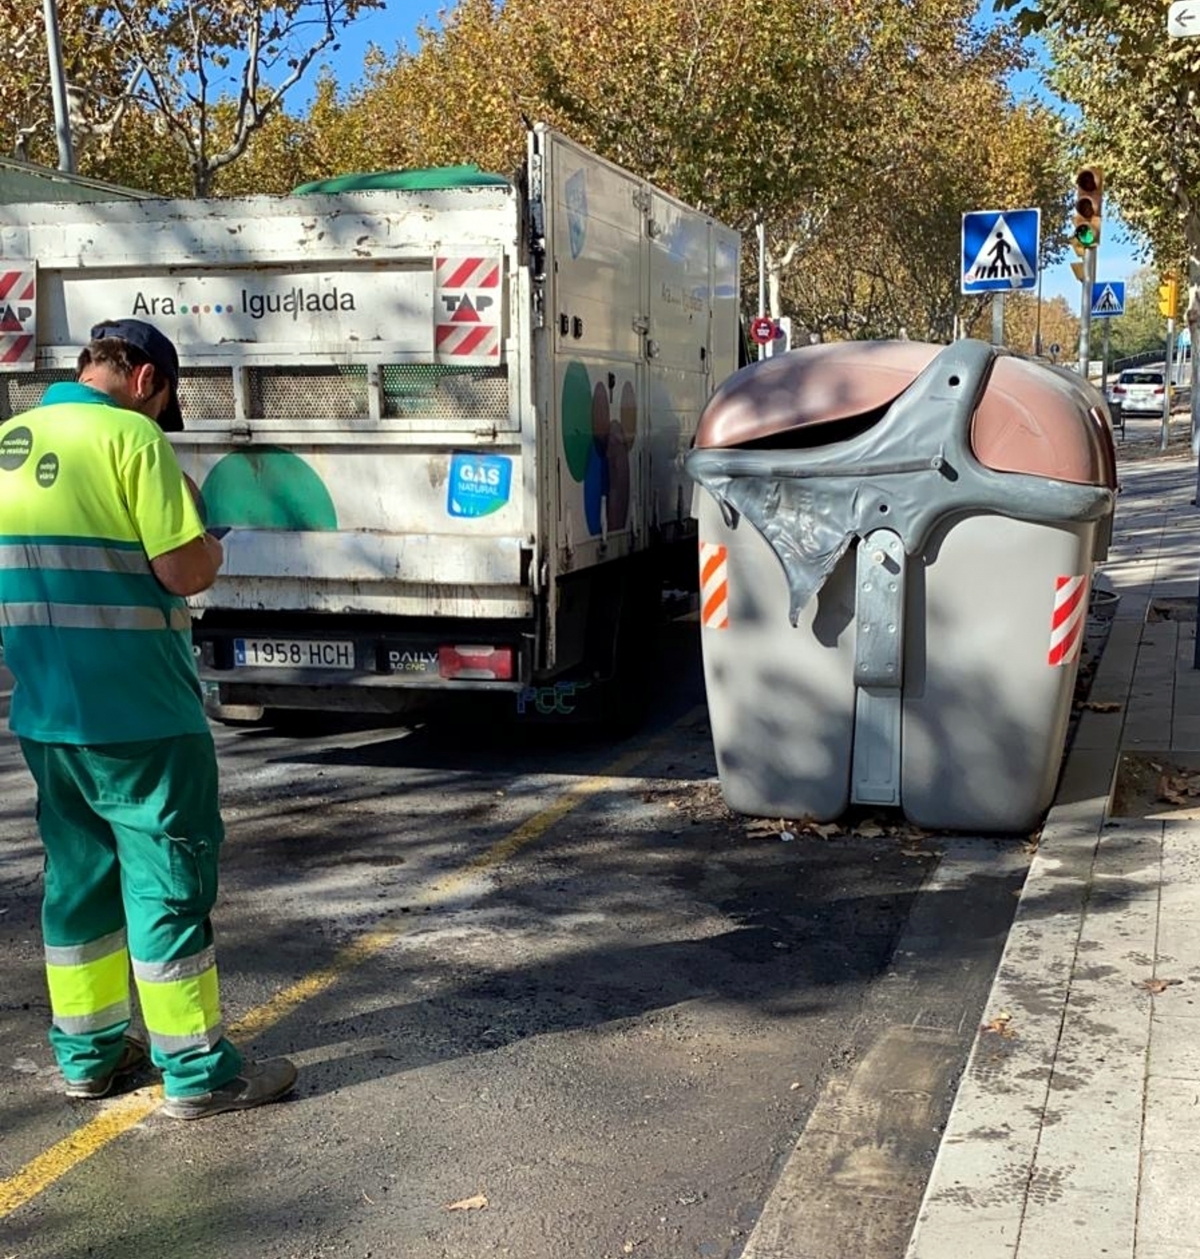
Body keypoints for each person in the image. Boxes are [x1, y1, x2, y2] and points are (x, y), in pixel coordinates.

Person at [0, 318, 297, 1120]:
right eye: (161, 403)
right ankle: (199, 1072)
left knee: (79, 886)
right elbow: (184, 568)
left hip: (45, 715)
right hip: (142, 716)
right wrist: (211, 546)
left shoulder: (9, 440)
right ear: (144, 383)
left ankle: (89, 1057)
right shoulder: (134, 442)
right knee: (167, 883)